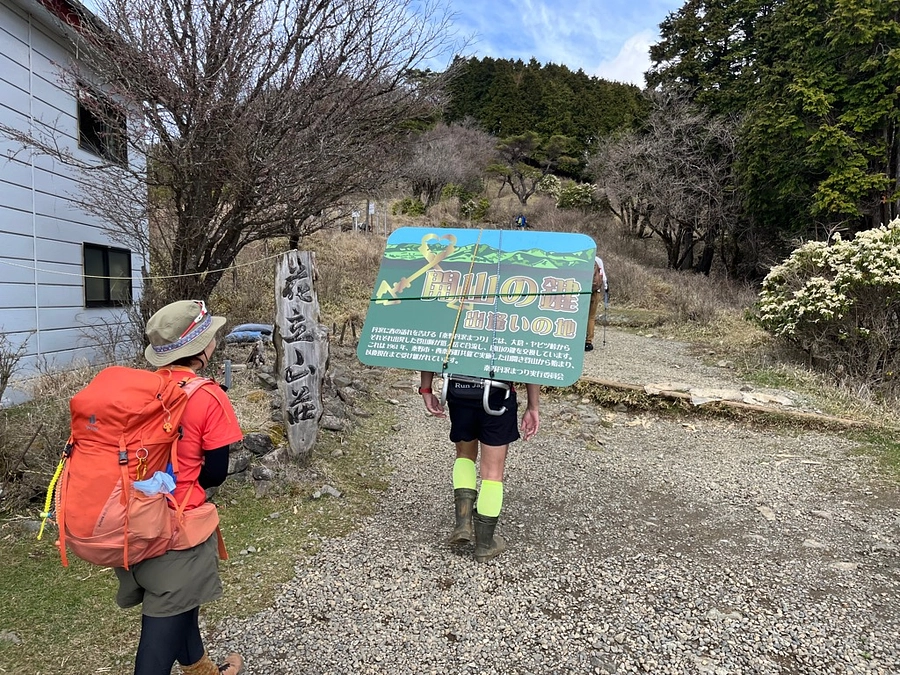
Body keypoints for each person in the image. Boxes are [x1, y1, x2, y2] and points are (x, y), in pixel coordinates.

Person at [115, 300, 245, 675]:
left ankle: (202, 670)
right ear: (202, 349)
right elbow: (217, 471)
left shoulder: (145, 387)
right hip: (178, 529)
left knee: (180, 608)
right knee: (156, 646)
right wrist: (190, 484)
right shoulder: (207, 395)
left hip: (136, 519)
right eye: (211, 336)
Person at [419, 373, 540, 562]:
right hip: (498, 394)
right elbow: (529, 361)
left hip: (460, 390)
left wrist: (425, 389)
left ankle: (463, 524)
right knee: (493, 472)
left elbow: (433, 345)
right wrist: (533, 406)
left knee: (465, 455)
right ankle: (484, 545)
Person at [585, 256, 608, 352]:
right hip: (595, 292)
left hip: (581, 291)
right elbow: (603, 278)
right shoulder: (598, 260)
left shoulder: (580, 257)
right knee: (591, 317)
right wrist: (606, 288)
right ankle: (588, 342)